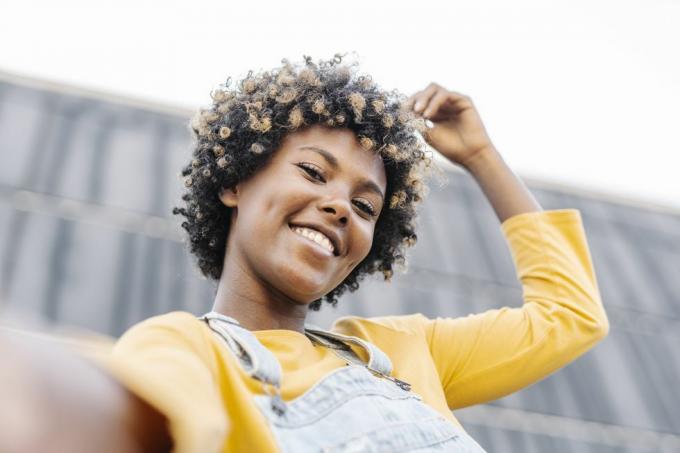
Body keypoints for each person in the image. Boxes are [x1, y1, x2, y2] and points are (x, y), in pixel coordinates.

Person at [0, 54, 609, 452]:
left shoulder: (403, 350)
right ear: (235, 181)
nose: (341, 206)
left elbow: (570, 318)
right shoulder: (184, 347)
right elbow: (134, 411)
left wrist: (481, 156)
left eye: (366, 206)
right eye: (314, 172)